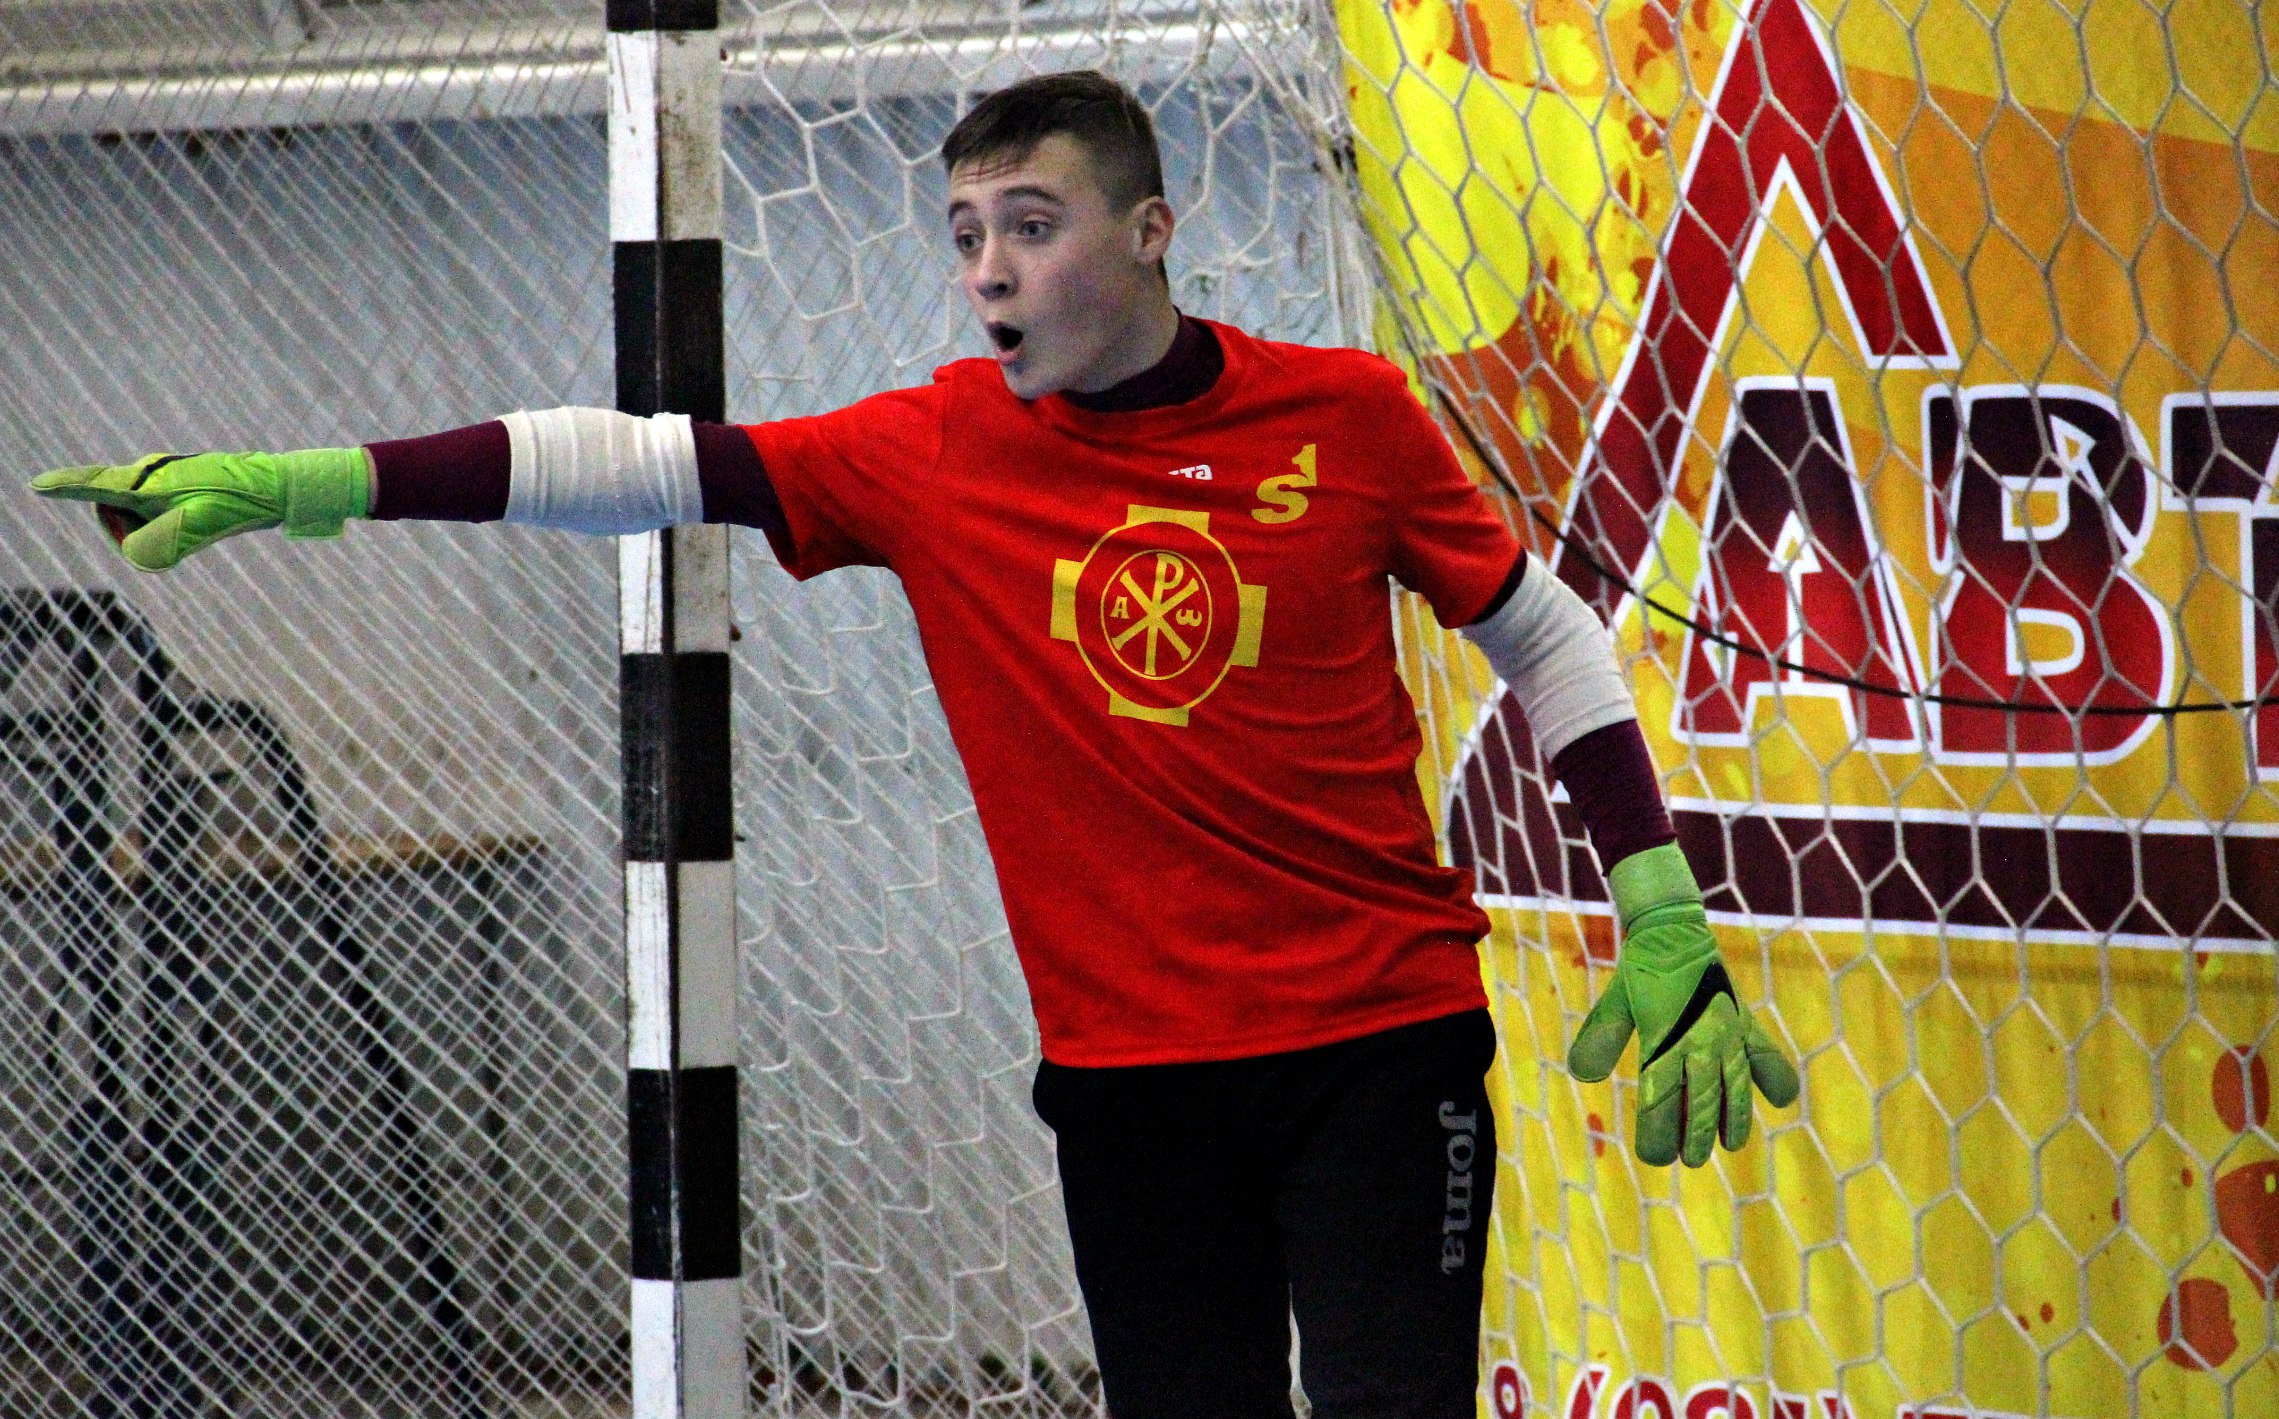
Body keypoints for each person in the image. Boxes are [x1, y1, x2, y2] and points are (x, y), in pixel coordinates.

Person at [32, 70, 1795, 1419]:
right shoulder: (937, 451)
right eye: (963, 235)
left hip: (1377, 1045)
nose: (989, 271)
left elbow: (1546, 638)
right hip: (1127, 1073)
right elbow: (639, 462)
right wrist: (321, 482)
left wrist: (1659, 905)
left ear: (1152, 230)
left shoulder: (1349, 415)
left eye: (1031, 224)